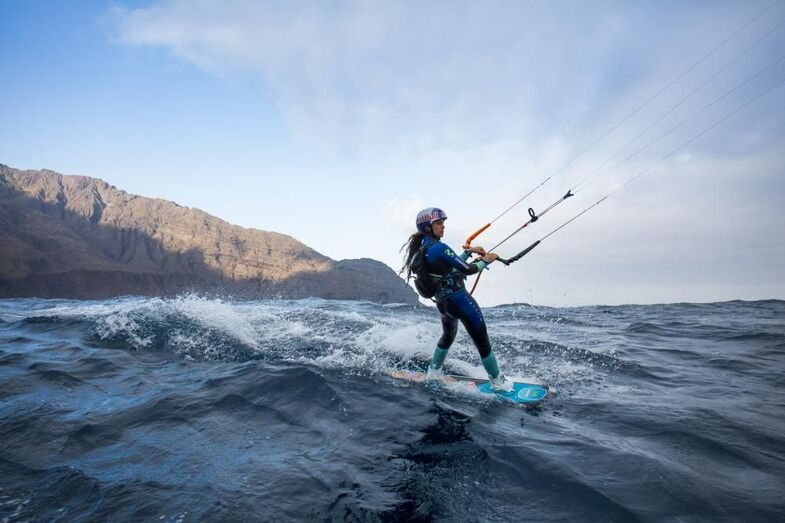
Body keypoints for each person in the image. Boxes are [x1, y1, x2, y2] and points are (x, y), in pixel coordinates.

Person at [401, 207, 513, 392]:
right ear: (427, 227)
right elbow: (467, 270)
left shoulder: (419, 252)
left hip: (443, 305)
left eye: (443, 223)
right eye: (438, 223)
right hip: (460, 301)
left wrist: (469, 252)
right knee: (482, 341)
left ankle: (434, 373)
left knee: (447, 337)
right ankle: (498, 382)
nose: (443, 226)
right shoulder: (439, 248)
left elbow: (450, 269)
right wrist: (486, 260)